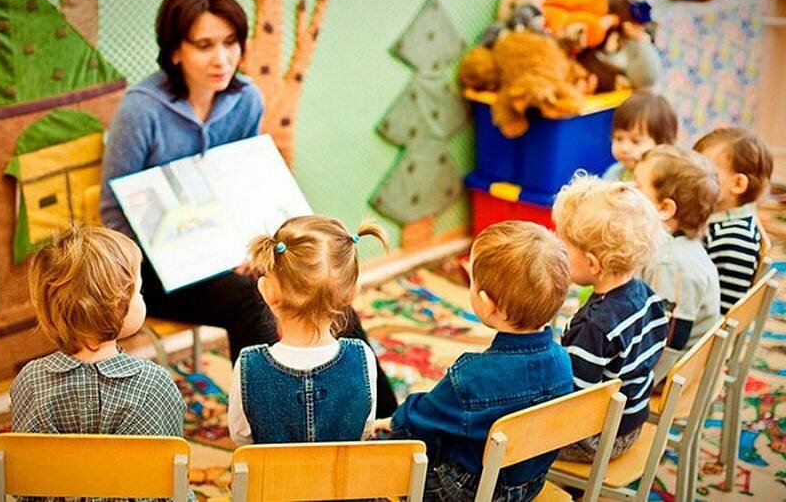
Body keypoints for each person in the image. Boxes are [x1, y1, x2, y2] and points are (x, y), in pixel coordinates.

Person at [99, 0, 397, 414]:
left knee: (318, 280)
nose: (221, 59)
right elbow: (113, 215)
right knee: (254, 298)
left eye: (230, 42)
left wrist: (249, 249)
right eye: (204, 45)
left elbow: (244, 186)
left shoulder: (246, 99)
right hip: (157, 270)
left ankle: (384, 418)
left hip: (230, 254)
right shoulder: (140, 112)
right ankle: (269, 424)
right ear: (175, 50)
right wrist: (178, 255)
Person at [373, 221, 574, 501]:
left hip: (468, 490)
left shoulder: (471, 376)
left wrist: (394, 422)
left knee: (381, 446)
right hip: (529, 484)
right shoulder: (563, 361)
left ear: (487, 303)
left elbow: (422, 421)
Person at [11, 225, 186, 441]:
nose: (142, 298)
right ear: (117, 307)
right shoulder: (155, 385)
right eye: (138, 291)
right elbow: (171, 455)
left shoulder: (30, 381)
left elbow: (24, 456)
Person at [228, 216, 386, 444]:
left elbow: (241, 438)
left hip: (271, 469)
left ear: (266, 291)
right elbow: (365, 430)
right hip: (342, 468)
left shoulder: (247, 365)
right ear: (351, 293)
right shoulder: (362, 357)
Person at [552, 176, 668, 461]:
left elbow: (571, 403)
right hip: (633, 422)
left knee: (500, 430)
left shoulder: (594, 327)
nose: (557, 250)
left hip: (597, 440)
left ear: (592, 263)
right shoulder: (648, 295)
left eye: (563, 246)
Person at [635, 147, 721, 349]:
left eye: (637, 187)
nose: (627, 190)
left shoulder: (670, 264)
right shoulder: (676, 247)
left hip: (670, 367)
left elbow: (665, 344)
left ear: (665, 209)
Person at [694, 128, 774, 314]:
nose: (693, 178)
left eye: (704, 172)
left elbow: (723, 314)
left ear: (738, 184)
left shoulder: (735, 240)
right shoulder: (718, 217)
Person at [602, 90, 678, 182]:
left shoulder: (667, 182)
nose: (624, 148)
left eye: (635, 141)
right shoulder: (614, 173)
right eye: (619, 139)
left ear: (663, 144)